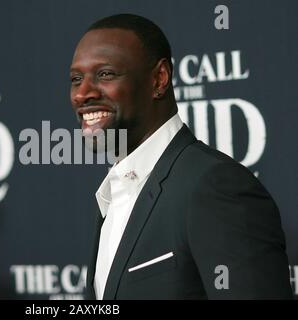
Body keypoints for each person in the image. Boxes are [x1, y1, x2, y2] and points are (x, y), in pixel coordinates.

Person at [69, 13, 292, 299]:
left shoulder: (215, 186)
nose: (82, 93)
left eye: (105, 74)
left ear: (159, 79)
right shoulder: (112, 196)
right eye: (76, 79)